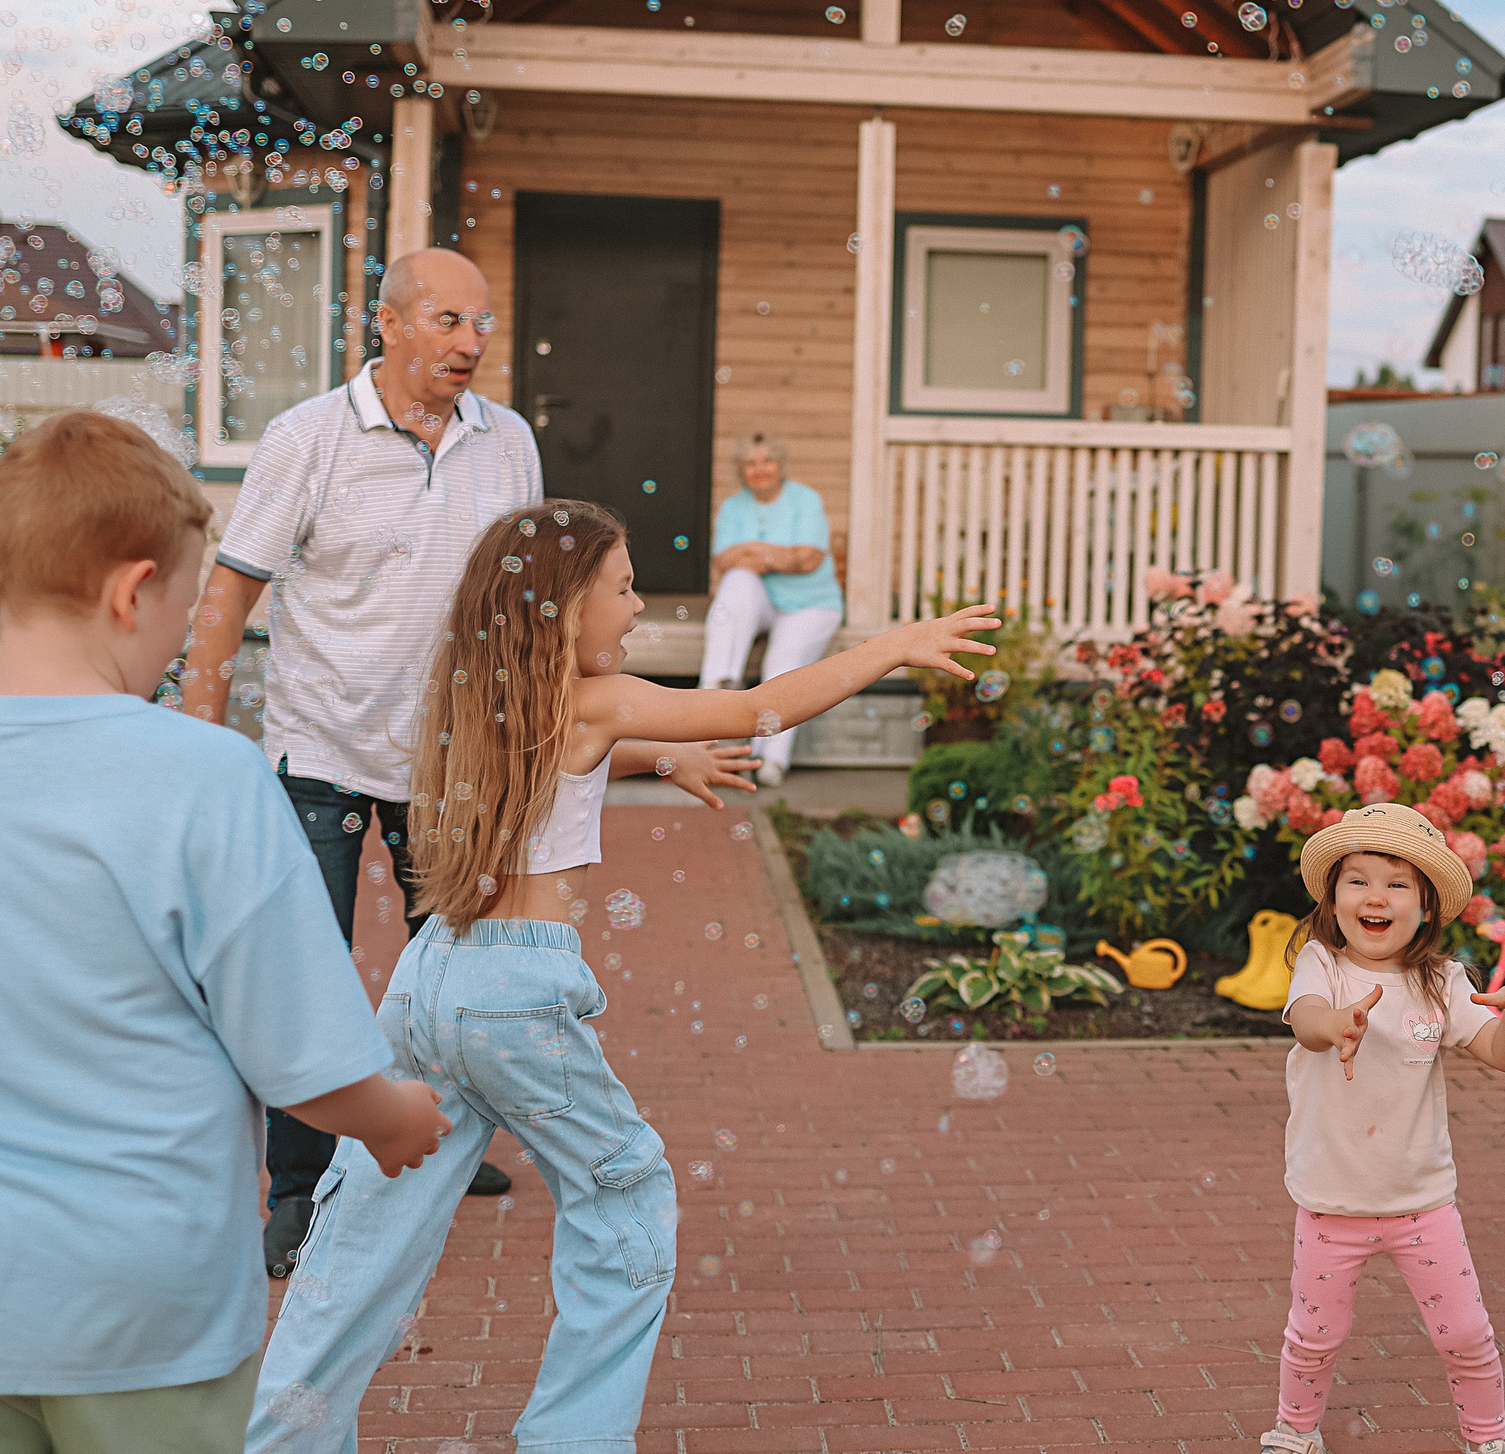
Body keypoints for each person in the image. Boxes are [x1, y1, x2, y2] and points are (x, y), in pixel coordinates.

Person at [247, 499, 995, 1449]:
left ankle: (282, 1434)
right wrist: (888, 647)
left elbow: (565, 757)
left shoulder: (469, 689)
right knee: (627, 1195)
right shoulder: (592, 697)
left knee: (365, 1226)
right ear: (563, 607)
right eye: (625, 587)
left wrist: (661, 754)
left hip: (432, 976)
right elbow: (757, 709)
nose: (639, 607)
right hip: (517, 994)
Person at [0, 411, 450, 1454]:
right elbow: (301, 1059)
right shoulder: (209, 777)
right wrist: (396, 1121)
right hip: (136, 1304)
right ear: (131, 591)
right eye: (190, 598)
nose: (194, 632)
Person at [184, 247, 754, 1274]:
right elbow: (231, 593)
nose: (469, 343)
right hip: (320, 752)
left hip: (457, 764)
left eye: (482, 323)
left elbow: (524, 602)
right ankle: (302, 1187)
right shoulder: (307, 439)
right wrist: (199, 740)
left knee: (455, 962)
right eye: (447, 321)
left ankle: (436, 1139)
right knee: (308, 975)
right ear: (389, 325)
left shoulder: (509, 442)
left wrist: (637, 750)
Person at [1263, 802, 1505, 1454]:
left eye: (1398, 882)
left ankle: (1486, 1440)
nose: (1376, 895)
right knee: (1314, 1333)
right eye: (1359, 879)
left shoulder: (1441, 980)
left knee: (1464, 1332)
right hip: (1331, 1200)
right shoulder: (1323, 963)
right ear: (1332, 895)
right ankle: (1296, 1431)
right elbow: (1309, 1019)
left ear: (1427, 907)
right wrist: (1338, 1025)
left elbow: (1503, 1053)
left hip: (1422, 1203)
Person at [701, 434, 844, 786]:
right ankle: (718, 686)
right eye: (750, 463)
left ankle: (769, 760)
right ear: (741, 470)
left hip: (810, 604)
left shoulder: (804, 499)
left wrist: (754, 549)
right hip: (763, 600)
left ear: (780, 466)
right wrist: (775, 555)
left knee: (781, 667)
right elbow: (724, 561)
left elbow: (808, 559)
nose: (759, 470)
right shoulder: (734, 507)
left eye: (766, 461)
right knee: (736, 580)